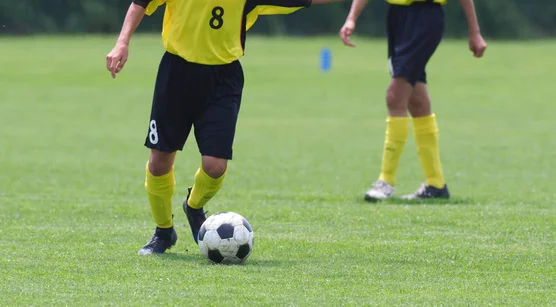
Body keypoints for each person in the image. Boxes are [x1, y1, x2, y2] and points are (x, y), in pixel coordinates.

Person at [106, 0, 340, 255]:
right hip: (176, 73)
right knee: (160, 159)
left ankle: (193, 206)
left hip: (223, 80)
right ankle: (163, 232)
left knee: (215, 166)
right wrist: (122, 42)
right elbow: (140, 3)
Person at [339, 0, 487, 201]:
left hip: (425, 16)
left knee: (395, 96)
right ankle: (436, 184)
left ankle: (386, 181)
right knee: (417, 101)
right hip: (397, 18)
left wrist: (474, 32)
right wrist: (351, 18)